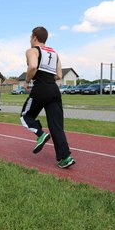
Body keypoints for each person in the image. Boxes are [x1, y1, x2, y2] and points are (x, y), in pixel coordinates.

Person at [20, 26, 75, 168]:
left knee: (25, 116)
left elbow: (32, 66)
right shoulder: (55, 53)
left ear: (34, 37)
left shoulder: (32, 51)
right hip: (54, 90)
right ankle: (66, 157)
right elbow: (59, 75)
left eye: (30, 37)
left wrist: (26, 82)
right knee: (57, 126)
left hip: (41, 88)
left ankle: (40, 134)